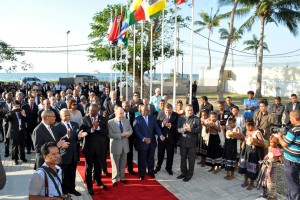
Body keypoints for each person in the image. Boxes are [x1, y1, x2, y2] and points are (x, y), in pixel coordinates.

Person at [80, 104, 108, 195]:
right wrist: (92, 129)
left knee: (98, 167)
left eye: (93, 111)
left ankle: (98, 181)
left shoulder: (103, 119)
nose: (91, 112)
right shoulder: (84, 119)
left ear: (98, 111)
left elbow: (106, 132)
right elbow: (82, 131)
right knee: (88, 168)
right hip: (89, 148)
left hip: (100, 148)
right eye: (89, 110)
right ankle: (89, 187)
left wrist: (98, 128)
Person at [55, 109, 82, 196]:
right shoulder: (57, 127)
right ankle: (64, 191)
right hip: (64, 154)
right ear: (60, 116)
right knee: (64, 174)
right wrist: (64, 139)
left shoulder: (75, 124)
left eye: (68, 115)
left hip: (74, 154)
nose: (68, 117)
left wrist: (79, 136)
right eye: (65, 115)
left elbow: (76, 139)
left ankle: (72, 189)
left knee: (72, 172)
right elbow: (57, 140)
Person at [133, 105, 164, 180]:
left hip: (152, 142)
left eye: (147, 110)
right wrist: (143, 138)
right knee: (142, 159)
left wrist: (160, 135)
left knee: (151, 158)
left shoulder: (152, 118)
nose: (146, 111)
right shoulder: (137, 119)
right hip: (142, 142)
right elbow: (136, 131)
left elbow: (156, 128)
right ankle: (142, 174)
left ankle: (151, 172)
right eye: (144, 110)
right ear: (140, 111)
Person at [277, 109, 300, 200]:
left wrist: (279, 136)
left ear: (296, 118)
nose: (290, 119)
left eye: (290, 117)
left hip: (291, 162)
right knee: (293, 183)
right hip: (298, 161)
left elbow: (284, 144)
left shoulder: (294, 130)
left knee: (293, 184)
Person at [108, 107, 132, 187]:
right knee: (115, 164)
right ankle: (114, 179)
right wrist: (121, 135)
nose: (122, 115)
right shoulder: (110, 122)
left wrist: (128, 133)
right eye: (120, 113)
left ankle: (122, 178)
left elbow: (131, 130)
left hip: (125, 146)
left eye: (123, 113)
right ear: (115, 113)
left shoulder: (126, 120)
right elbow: (109, 134)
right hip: (115, 146)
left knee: (123, 163)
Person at [239, 119, 265, 191]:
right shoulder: (247, 131)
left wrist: (255, 141)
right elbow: (245, 139)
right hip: (246, 150)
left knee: (252, 166)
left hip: (254, 151)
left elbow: (262, 143)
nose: (245, 127)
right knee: (245, 165)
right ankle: (246, 181)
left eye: (246, 126)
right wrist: (244, 142)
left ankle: (252, 183)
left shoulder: (257, 132)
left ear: (251, 126)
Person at [177, 104, 201, 182]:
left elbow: (199, 130)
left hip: (192, 143)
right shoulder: (181, 118)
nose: (190, 112)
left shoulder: (197, 119)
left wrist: (191, 130)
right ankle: (183, 172)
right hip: (183, 142)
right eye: (188, 110)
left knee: (191, 160)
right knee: (183, 159)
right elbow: (178, 129)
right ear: (185, 110)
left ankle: (190, 174)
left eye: (191, 110)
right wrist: (184, 129)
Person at [155, 103, 179, 175]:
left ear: (172, 109)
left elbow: (177, 126)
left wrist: (170, 125)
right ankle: (158, 167)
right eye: (166, 111)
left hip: (171, 139)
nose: (168, 112)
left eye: (169, 111)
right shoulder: (160, 114)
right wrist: (163, 123)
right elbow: (157, 124)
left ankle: (169, 168)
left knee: (170, 154)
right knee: (160, 154)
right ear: (164, 110)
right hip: (162, 139)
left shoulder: (176, 115)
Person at [257, 134, 283, 200]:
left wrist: (275, 157)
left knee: (271, 182)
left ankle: (271, 196)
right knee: (264, 180)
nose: (270, 144)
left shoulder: (278, 150)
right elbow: (268, 155)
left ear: (277, 143)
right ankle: (264, 193)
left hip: (272, 169)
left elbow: (281, 161)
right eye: (270, 142)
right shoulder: (269, 148)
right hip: (266, 167)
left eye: (272, 142)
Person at [4, 100, 28, 165]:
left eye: (18, 106)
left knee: (22, 146)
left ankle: (22, 157)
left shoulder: (21, 112)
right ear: (13, 106)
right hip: (14, 132)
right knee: (15, 147)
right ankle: (15, 159)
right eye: (16, 106)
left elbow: (27, 120)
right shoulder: (10, 113)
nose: (18, 108)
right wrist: (12, 112)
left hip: (22, 131)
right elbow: (5, 119)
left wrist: (24, 115)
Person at [122, 101, 136, 175]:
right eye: (124, 106)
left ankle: (130, 169)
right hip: (122, 138)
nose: (126, 108)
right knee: (122, 155)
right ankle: (121, 171)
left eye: (127, 106)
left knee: (130, 154)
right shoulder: (119, 115)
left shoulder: (132, 114)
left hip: (130, 138)